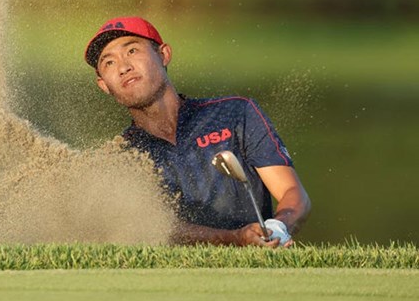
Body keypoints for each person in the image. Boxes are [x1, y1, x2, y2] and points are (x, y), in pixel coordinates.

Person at [85, 16, 311, 247]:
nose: (124, 67)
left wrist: (278, 227)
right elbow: (156, 229)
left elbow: (292, 192)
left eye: (132, 51)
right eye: (108, 63)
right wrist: (234, 239)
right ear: (104, 85)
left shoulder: (235, 113)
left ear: (164, 55)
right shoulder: (120, 156)